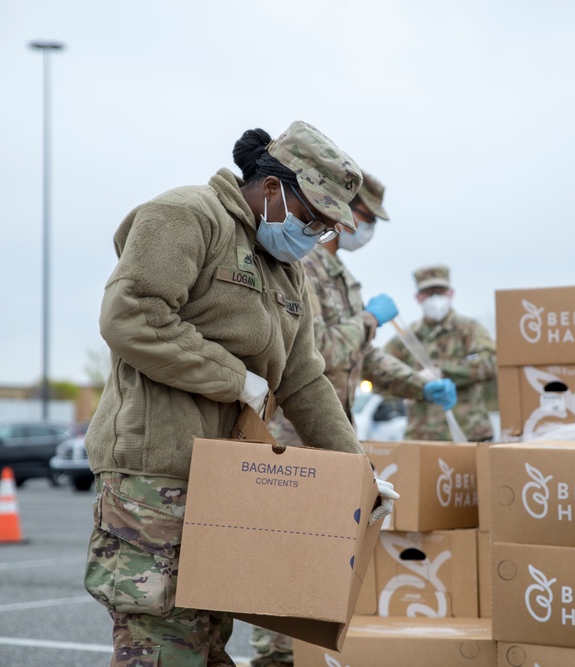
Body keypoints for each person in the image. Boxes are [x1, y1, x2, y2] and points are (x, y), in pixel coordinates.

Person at [81, 121, 398, 667]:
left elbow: (304, 378)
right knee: (161, 646)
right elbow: (132, 316)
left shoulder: (285, 271)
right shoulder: (188, 216)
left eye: (325, 229)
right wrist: (237, 380)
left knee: (206, 644)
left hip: (225, 481)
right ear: (273, 188)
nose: (315, 236)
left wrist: (358, 475)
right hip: (156, 477)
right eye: (311, 218)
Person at [248, 173, 457, 667]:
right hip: (292, 436)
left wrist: (419, 384)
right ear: (342, 214)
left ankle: (300, 653)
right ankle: (275, 657)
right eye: (365, 219)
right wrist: (367, 320)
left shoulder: (343, 277)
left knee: (318, 563)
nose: (367, 230)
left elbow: (364, 359)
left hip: (328, 436)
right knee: (283, 556)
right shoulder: (305, 263)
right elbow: (316, 351)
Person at [383, 265, 498, 442]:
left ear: (451, 293)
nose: (435, 298)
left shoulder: (470, 330)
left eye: (440, 292)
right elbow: (380, 371)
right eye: (429, 293)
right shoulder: (407, 338)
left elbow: (488, 364)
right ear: (418, 297)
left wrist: (441, 372)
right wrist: (412, 381)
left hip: (469, 433)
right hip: (421, 435)